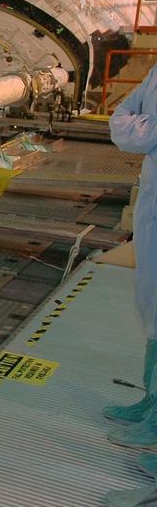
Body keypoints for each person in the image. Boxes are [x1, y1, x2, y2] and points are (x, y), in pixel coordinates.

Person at [104, 64, 157, 457]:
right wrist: (145, 128)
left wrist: (142, 127)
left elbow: (133, 127)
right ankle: (150, 402)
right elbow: (120, 121)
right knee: (151, 305)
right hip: (152, 205)